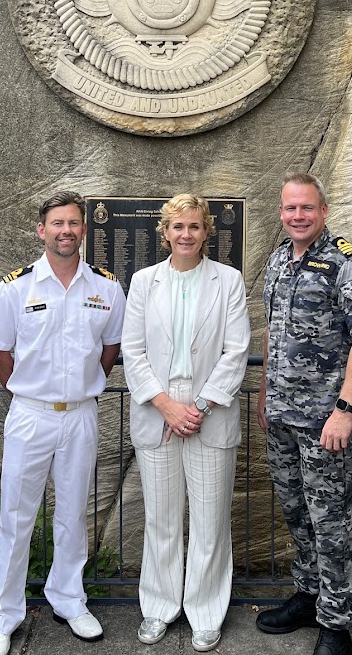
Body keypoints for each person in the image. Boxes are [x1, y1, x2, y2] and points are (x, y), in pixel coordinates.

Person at [0, 191, 126, 655]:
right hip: (30, 416)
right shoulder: (16, 287)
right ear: (42, 230)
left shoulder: (106, 287)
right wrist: (24, 394)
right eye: (57, 223)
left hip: (80, 416)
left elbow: (112, 347)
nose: (66, 230)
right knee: (15, 518)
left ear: (84, 229)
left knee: (73, 514)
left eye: (74, 223)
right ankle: (4, 617)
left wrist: (87, 386)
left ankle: (69, 600)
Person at [255, 172, 352, 655]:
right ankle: (309, 596)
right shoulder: (278, 262)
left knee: (331, 522)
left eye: (306, 207)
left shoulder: (348, 264)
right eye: (290, 208)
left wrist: (345, 410)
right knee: (297, 514)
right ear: (281, 212)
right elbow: (273, 332)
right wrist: (265, 394)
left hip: (326, 423)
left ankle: (336, 625)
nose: (298, 216)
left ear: (323, 211)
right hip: (282, 418)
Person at [122, 194, 250, 653]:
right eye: (178, 226)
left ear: (206, 231)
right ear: (165, 232)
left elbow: (236, 350)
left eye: (194, 226)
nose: (186, 234)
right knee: (161, 519)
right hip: (158, 410)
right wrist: (166, 406)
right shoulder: (143, 282)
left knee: (211, 521)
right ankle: (159, 607)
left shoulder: (228, 281)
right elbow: (132, 350)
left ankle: (205, 612)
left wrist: (198, 406)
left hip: (208, 411)